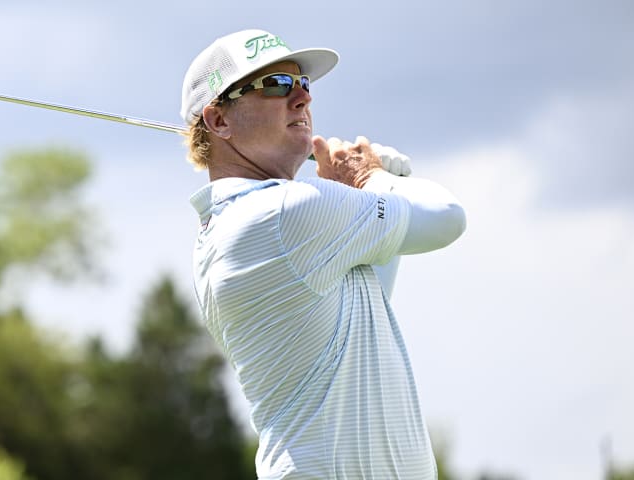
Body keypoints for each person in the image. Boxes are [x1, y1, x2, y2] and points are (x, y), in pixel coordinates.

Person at [180, 29, 466, 480]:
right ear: (218, 121)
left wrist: (355, 188)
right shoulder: (285, 212)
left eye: (304, 85)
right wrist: (371, 177)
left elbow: (370, 294)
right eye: (275, 85)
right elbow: (448, 216)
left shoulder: (260, 221)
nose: (301, 100)